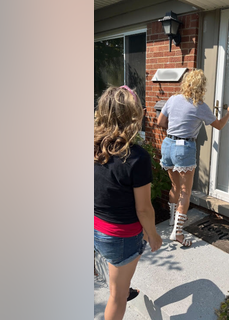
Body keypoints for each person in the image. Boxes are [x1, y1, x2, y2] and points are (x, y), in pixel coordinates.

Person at [94, 85, 163, 320]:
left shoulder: (93, 147)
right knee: (117, 296)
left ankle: (124, 284)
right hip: (120, 235)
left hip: (96, 226)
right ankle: (123, 289)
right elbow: (143, 208)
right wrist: (153, 235)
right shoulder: (136, 157)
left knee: (118, 277)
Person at [156, 69, 229, 247]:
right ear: (201, 87)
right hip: (184, 148)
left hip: (168, 145)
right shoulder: (199, 105)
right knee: (185, 191)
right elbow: (219, 126)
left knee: (175, 187)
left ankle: (171, 222)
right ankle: (177, 234)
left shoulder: (173, 99)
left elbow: (160, 122)